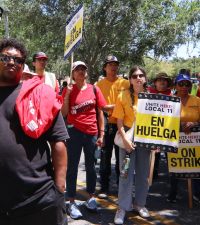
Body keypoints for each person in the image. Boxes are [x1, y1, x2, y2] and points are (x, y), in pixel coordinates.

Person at [0, 38, 69, 225]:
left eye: (18, 60)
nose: (12, 62)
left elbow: (58, 142)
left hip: (38, 201)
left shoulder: (38, 95)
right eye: (5, 58)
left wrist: (59, 190)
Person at [61, 61, 106, 219]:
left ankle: (91, 198)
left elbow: (100, 113)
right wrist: (66, 95)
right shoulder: (68, 89)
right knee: (72, 167)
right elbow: (64, 113)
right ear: (73, 73)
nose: (80, 72)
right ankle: (71, 201)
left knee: (91, 167)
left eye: (83, 69)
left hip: (92, 133)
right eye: (77, 69)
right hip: (74, 132)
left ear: (86, 72)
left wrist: (101, 134)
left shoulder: (95, 89)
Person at [112, 66, 152, 224]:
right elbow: (119, 121)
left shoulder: (151, 97)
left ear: (145, 78)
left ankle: (140, 204)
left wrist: (156, 142)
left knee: (143, 175)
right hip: (127, 137)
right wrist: (126, 140)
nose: (138, 78)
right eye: (135, 75)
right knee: (125, 174)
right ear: (130, 79)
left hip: (145, 139)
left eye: (141, 75)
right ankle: (122, 207)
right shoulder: (122, 96)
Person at [167, 74, 200, 205]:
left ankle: (197, 192)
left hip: (195, 139)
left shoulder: (196, 100)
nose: (184, 87)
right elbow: (164, 120)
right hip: (174, 139)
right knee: (175, 165)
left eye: (187, 84)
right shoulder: (170, 100)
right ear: (175, 85)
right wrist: (178, 123)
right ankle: (173, 191)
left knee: (196, 165)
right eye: (181, 84)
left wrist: (194, 124)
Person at [96, 56, 130, 198]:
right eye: (109, 64)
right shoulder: (98, 85)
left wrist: (111, 107)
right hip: (106, 125)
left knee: (123, 158)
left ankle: (123, 186)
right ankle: (104, 187)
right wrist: (109, 107)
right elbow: (99, 106)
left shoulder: (126, 83)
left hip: (123, 126)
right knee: (105, 157)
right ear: (104, 67)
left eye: (115, 64)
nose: (113, 67)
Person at [149, 72, 173, 178]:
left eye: (164, 80)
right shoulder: (149, 92)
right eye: (160, 80)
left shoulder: (173, 93)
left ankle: (173, 172)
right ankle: (153, 170)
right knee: (155, 150)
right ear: (155, 82)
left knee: (169, 151)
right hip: (154, 126)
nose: (162, 82)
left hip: (168, 127)